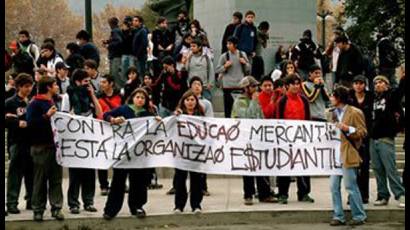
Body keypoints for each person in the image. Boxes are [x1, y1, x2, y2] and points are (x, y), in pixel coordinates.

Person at [103, 88, 160, 219]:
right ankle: (110, 210)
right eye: (137, 97)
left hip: (139, 155)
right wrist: (113, 119)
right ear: (132, 97)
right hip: (123, 154)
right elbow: (105, 115)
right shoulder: (123, 109)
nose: (140, 99)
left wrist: (157, 121)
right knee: (118, 182)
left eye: (143, 98)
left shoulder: (148, 114)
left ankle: (137, 207)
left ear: (146, 101)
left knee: (139, 182)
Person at [231, 76, 276, 205]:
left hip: (258, 137)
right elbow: (246, 117)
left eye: (256, 86)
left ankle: (264, 194)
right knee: (248, 167)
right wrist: (253, 102)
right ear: (246, 88)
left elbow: (260, 116)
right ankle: (248, 194)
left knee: (261, 165)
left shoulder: (256, 100)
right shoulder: (239, 101)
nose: (255, 89)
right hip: (245, 139)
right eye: (252, 86)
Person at [62, 69, 102, 214]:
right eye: (85, 81)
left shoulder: (90, 95)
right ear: (77, 81)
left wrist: (92, 94)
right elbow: (64, 117)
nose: (88, 84)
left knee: (90, 174)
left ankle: (88, 201)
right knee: (75, 175)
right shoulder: (68, 96)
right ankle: (73, 203)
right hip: (75, 141)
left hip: (89, 139)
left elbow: (99, 113)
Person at [26, 76, 64, 221]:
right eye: (54, 84)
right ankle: (38, 209)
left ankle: (56, 207)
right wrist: (46, 116)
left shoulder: (53, 102)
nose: (57, 87)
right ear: (48, 87)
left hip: (54, 147)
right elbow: (31, 124)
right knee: (40, 180)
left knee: (56, 179)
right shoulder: (34, 103)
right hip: (40, 147)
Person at [329, 85, 367, 226]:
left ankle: (359, 215)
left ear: (339, 98)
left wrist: (348, 129)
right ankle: (338, 215)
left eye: (333, 96)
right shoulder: (331, 113)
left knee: (350, 186)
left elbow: (362, 132)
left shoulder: (355, 112)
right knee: (333, 187)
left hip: (348, 153)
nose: (331, 98)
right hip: (334, 155)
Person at [276, 74, 314, 204]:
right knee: (284, 167)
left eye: (298, 84)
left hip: (301, 139)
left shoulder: (304, 100)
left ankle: (304, 193)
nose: (296, 86)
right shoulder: (282, 101)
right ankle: (283, 194)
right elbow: (279, 120)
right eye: (293, 84)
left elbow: (308, 119)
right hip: (286, 140)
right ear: (287, 86)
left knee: (303, 166)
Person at [370, 75, 405, 208]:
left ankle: (400, 194)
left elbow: (401, 90)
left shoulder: (391, 97)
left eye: (381, 82)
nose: (378, 84)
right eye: (376, 82)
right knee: (378, 169)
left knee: (390, 169)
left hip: (386, 139)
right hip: (373, 139)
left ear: (387, 85)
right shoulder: (372, 99)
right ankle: (383, 195)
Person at [5, 74, 34, 214]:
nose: (29, 89)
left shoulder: (32, 102)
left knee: (31, 173)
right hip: (16, 142)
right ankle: (11, 203)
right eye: (26, 86)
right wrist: (16, 122)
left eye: (30, 86)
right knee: (15, 175)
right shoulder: (10, 102)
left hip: (31, 143)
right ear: (19, 87)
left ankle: (31, 201)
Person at [173, 90, 206, 213]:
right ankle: (179, 205)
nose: (190, 102)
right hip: (181, 152)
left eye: (192, 100)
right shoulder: (178, 115)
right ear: (183, 101)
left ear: (196, 101)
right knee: (180, 179)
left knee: (196, 179)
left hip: (196, 152)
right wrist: (175, 116)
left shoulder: (201, 116)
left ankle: (196, 205)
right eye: (187, 100)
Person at [348, 75, 374, 204]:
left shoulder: (370, 97)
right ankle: (352, 195)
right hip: (351, 135)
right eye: (356, 83)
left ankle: (364, 195)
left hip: (366, 135)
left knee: (364, 167)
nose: (358, 86)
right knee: (352, 167)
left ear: (365, 84)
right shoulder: (349, 97)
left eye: (361, 83)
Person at [97, 74, 123, 195]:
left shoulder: (120, 96)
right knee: (102, 157)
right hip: (103, 130)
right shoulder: (97, 97)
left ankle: (120, 184)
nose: (101, 84)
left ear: (111, 84)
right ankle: (103, 185)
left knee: (119, 157)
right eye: (101, 82)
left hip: (118, 131)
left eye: (104, 82)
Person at [189, 76, 214, 196]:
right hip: (188, 137)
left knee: (202, 163)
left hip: (202, 136)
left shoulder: (207, 103)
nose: (197, 86)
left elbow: (210, 120)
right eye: (194, 84)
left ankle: (203, 187)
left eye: (199, 84)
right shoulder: (185, 101)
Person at [216, 36, 251, 118]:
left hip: (239, 85)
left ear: (235, 45)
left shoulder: (242, 54)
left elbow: (248, 69)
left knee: (240, 109)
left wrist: (245, 63)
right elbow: (218, 69)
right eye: (227, 44)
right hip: (228, 85)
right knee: (228, 109)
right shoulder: (224, 56)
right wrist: (225, 66)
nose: (228, 46)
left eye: (230, 44)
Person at [103, 17, 124, 88]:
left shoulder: (115, 31)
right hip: (116, 55)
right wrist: (108, 41)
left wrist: (108, 45)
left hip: (115, 56)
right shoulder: (118, 30)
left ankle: (119, 89)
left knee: (115, 74)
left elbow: (118, 41)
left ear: (111, 24)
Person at [132, 15, 149, 80]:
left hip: (141, 56)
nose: (134, 22)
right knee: (139, 73)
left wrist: (137, 55)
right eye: (133, 20)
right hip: (138, 56)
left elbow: (144, 44)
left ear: (140, 22)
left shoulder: (142, 31)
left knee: (142, 73)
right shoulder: (136, 31)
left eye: (136, 21)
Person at [121, 16, 137, 84]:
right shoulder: (123, 32)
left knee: (132, 70)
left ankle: (133, 83)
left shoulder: (134, 31)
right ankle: (126, 83)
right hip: (124, 53)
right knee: (124, 71)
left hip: (132, 54)